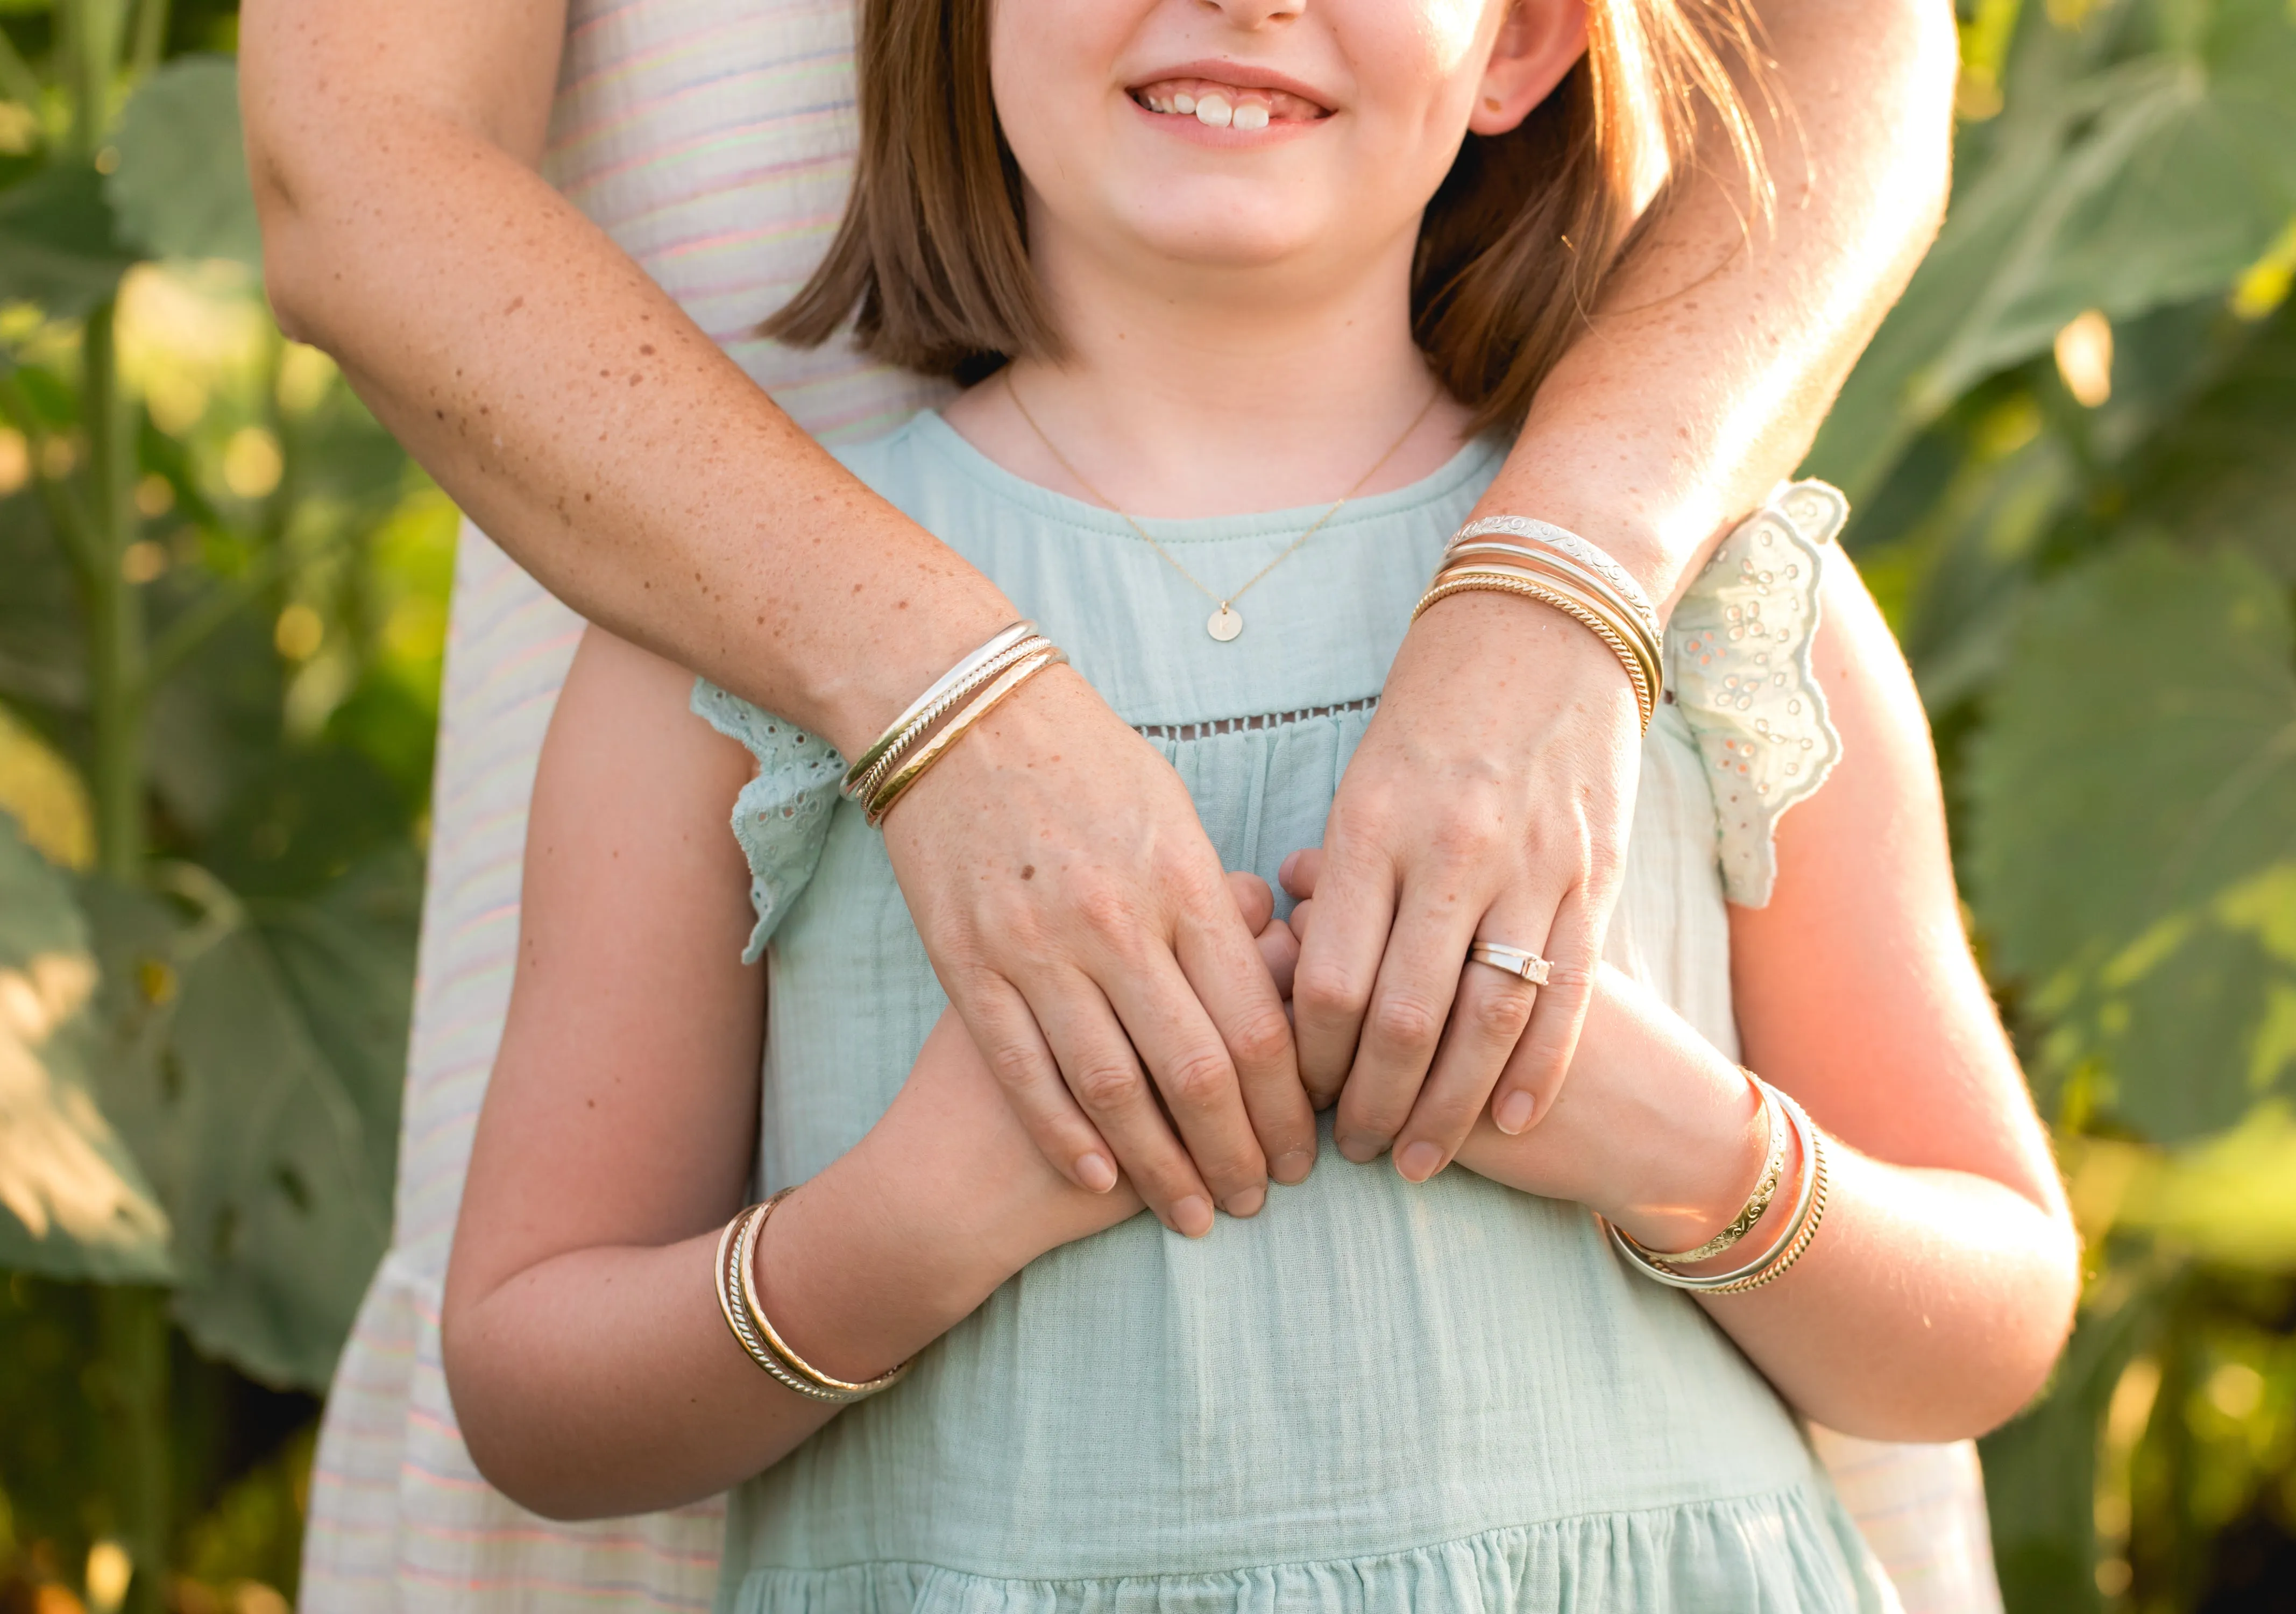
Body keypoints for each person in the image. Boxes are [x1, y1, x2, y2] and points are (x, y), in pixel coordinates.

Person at [239, 0, 1994, 1607]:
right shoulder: (703, 685)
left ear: (1523, 41)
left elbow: (1984, 1314)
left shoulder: (1732, 616)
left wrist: (1698, 1157)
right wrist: (899, 1233)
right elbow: (536, 1405)